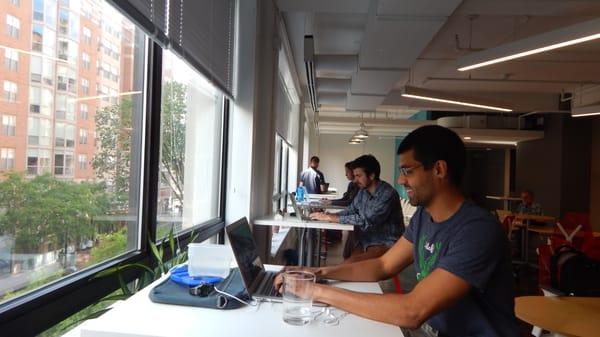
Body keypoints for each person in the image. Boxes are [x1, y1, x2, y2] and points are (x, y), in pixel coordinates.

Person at [276, 125, 518, 337]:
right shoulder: (425, 215)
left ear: (439, 170)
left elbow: (411, 311)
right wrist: (318, 272)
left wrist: (314, 291)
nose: (401, 180)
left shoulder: (476, 230)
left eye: (408, 171)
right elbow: (383, 266)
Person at [309, 155, 404, 263]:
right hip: (367, 239)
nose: (355, 180)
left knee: (348, 265)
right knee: (346, 262)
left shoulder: (387, 193)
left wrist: (331, 217)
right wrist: (329, 216)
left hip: (386, 243)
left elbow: (367, 219)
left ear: (372, 175)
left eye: (358, 176)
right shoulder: (363, 191)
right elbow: (351, 209)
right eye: (354, 176)